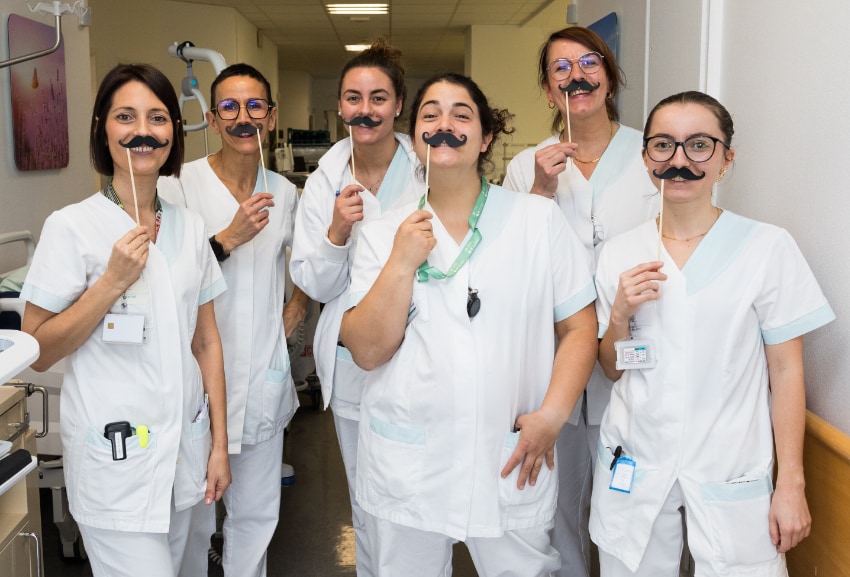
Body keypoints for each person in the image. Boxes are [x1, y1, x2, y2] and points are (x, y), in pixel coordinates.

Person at [339, 72, 598, 576]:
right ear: (414, 139)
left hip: (511, 451)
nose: (444, 125)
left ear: (486, 138)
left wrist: (553, 417)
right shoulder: (380, 233)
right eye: (429, 115)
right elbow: (367, 351)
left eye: (462, 114)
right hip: (410, 456)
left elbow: (580, 330)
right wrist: (399, 263)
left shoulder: (537, 222)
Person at [591, 91, 835, 577]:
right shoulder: (620, 253)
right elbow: (611, 370)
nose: (679, 160)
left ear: (726, 158)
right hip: (635, 458)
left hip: (731, 465)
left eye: (699, 145)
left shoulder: (767, 247)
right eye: (663, 145)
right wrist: (619, 314)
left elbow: (786, 371)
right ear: (646, 159)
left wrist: (791, 485)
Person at [20, 63, 231, 577]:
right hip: (116, 462)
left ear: (173, 135)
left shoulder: (190, 227)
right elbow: (38, 347)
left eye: (158, 118)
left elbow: (205, 342)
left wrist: (220, 446)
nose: (143, 131)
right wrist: (111, 281)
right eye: (125, 116)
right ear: (101, 128)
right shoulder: (71, 227)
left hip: (187, 457)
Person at [502, 26, 658, 577]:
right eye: (560, 69)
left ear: (609, 78)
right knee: (559, 504)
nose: (576, 77)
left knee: (627, 500)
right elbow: (508, 268)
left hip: (635, 355)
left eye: (589, 63)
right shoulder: (525, 168)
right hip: (554, 360)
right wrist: (541, 191)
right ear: (548, 91)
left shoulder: (653, 156)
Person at [158, 63, 307, 577]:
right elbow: (162, 278)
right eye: (229, 107)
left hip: (263, 375)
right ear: (215, 119)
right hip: (198, 378)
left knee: (256, 516)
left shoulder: (285, 194)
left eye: (254, 106)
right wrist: (226, 239)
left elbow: (309, 262)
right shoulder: (179, 186)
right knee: (195, 520)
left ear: (270, 117)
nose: (243, 118)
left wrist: (294, 310)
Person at [289, 37, 422, 575]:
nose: (365, 110)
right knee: (367, 500)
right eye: (353, 98)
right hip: (350, 362)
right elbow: (314, 282)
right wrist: (337, 231)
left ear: (397, 105)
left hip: (420, 352)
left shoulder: (428, 166)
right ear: (340, 107)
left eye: (378, 98)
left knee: (415, 493)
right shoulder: (325, 180)